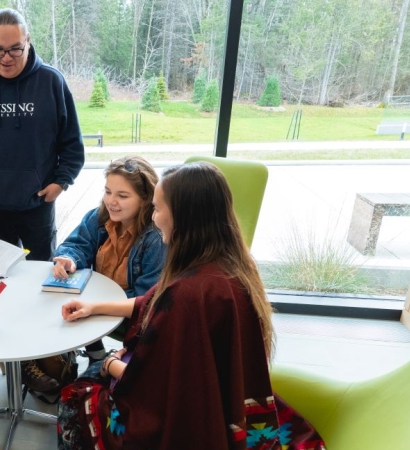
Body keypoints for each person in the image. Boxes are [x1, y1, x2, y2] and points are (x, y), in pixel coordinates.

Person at [56, 163, 325, 449]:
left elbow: (151, 385)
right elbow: (151, 302)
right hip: (228, 402)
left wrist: (109, 363)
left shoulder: (188, 296)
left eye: (157, 209)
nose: (154, 218)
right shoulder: (226, 265)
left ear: (183, 216)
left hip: (186, 422)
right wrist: (93, 307)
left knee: (75, 396)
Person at [0, 8, 85, 261]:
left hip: (38, 205)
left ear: (28, 41)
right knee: (0, 278)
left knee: (43, 273)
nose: (6, 58)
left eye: (15, 48)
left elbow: (72, 145)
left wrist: (61, 183)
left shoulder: (51, 81)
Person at [50, 156, 165, 365]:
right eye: (108, 191)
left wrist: (96, 305)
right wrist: (69, 259)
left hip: (132, 312)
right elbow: (77, 245)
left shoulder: (156, 237)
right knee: (60, 297)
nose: (111, 201)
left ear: (145, 198)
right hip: (100, 298)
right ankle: (93, 357)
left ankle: (98, 362)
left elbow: (145, 299)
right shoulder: (98, 217)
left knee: (75, 307)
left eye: (122, 195)